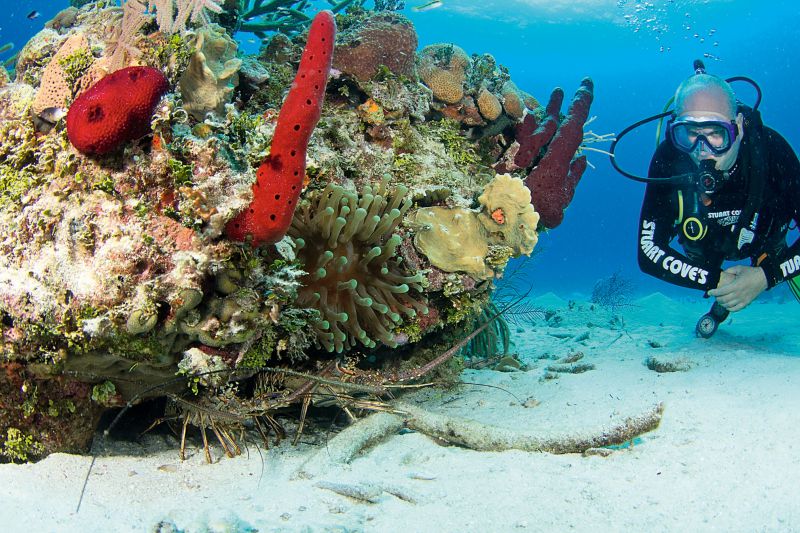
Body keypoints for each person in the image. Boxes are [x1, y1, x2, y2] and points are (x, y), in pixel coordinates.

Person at [637, 73, 800, 336]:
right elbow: (648, 250)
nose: (702, 150)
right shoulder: (668, 158)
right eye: (689, 133)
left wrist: (766, 276)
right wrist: (716, 279)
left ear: (738, 126)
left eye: (716, 133)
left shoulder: (773, 150)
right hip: (704, 252)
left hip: (766, 243)